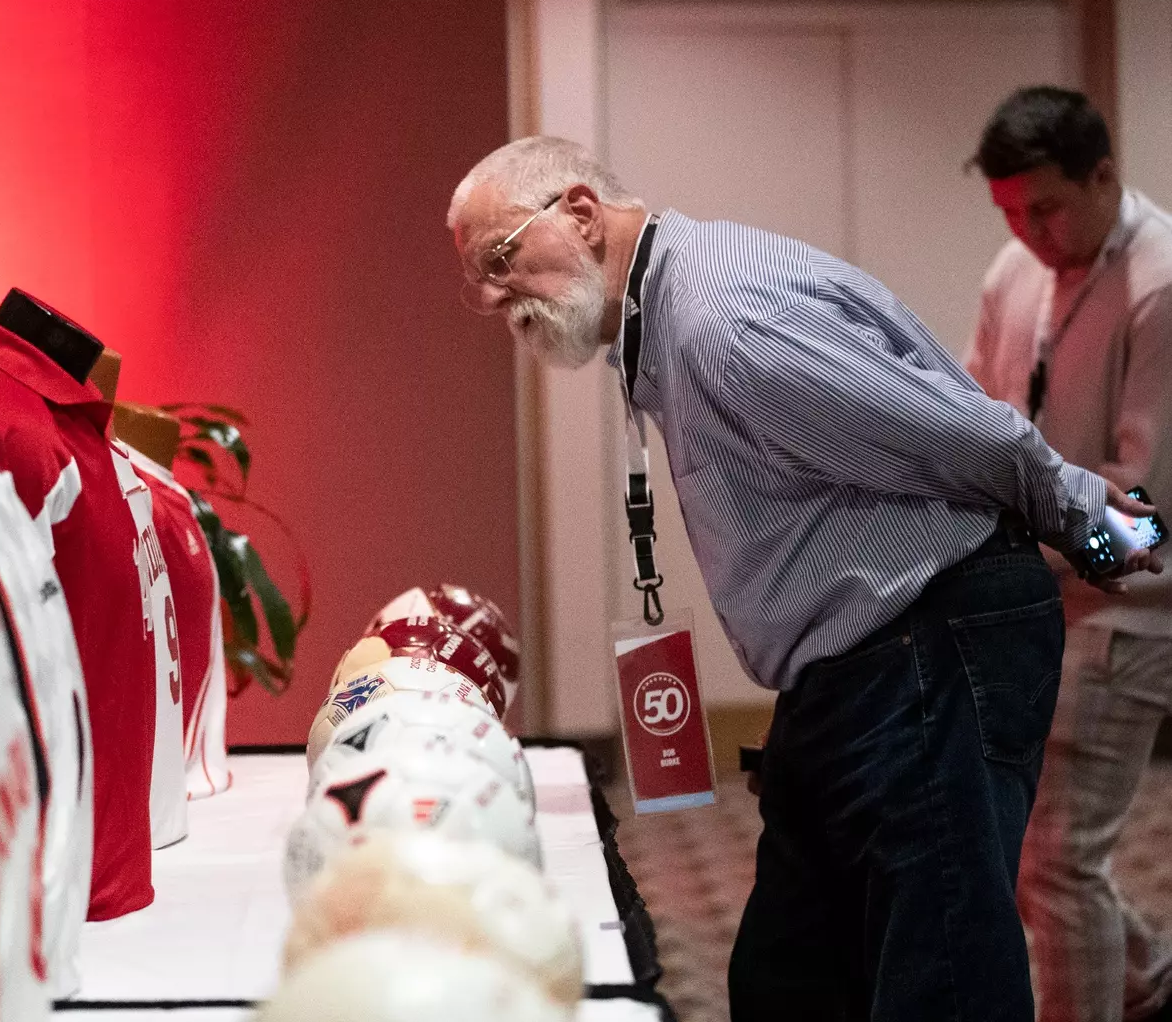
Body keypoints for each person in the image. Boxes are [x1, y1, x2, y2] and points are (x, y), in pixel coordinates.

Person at [447, 136, 1162, 1022]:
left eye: (499, 259)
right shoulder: (666, 316)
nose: (487, 296)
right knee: (791, 979)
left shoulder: (720, 319)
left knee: (940, 975)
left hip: (921, 649)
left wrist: (1097, 530)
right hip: (858, 669)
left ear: (582, 215)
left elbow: (965, 436)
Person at [966, 86, 1172, 1022]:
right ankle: (1149, 978)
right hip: (1039, 594)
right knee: (1025, 856)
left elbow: (1146, 516)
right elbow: (978, 418)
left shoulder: (1161, 284)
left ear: (1103, 176)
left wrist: (1024, 549)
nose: (1030, 233)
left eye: (1045, 207)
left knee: (1057, 859)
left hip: (1133, 610)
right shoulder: (1013, 269)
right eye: (1010, 212)